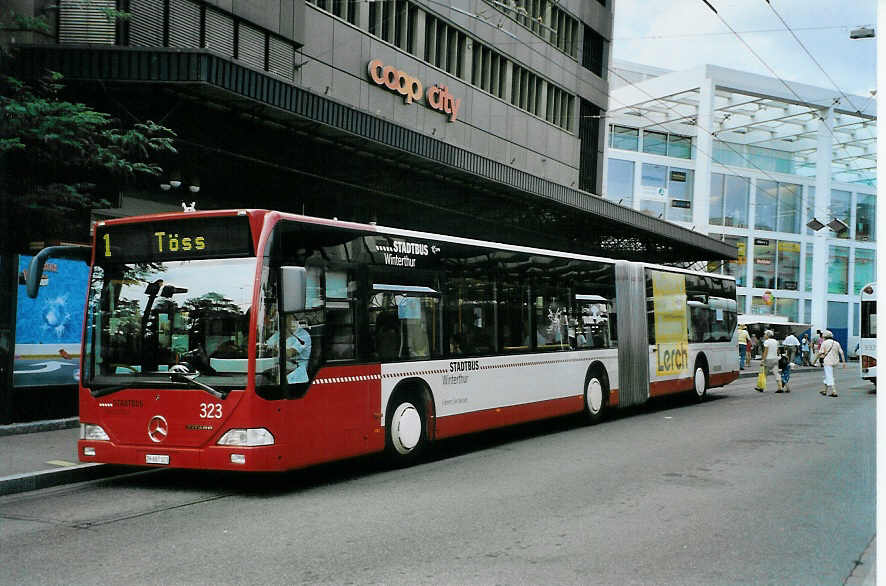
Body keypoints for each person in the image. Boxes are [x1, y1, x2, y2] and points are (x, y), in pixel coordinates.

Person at [816, 329, 845, 397]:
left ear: (824, 337)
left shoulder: (824, 343)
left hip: (827, 362)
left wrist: (814, 361)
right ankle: (825, 391)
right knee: (828, 375)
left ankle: (834, 391)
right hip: (835, 362)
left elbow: (820, 353)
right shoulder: (836, 343)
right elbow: (841, 353)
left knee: (829, 376)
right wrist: (844, 363)